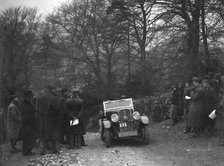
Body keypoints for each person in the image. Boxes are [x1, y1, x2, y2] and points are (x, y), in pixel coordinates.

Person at [36, 85, 60, 155]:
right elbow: (56, 109)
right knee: (52, 133)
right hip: (51, 119)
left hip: (42, 119)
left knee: (43, 134)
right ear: (51, 90)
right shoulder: (53, 98)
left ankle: (43, 150)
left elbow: (37, 108)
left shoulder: (40, 98)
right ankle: (54, 149)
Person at [20, 90, 37, 155]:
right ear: (28, 95)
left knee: (30, 138)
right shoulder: (24, 104)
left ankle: (28, 151)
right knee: (27, 138)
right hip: (27, 124)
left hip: (30, 123)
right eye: (31, 94)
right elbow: (26, 114)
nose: (32, 95)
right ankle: (26, 151)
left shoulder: (29, 103)